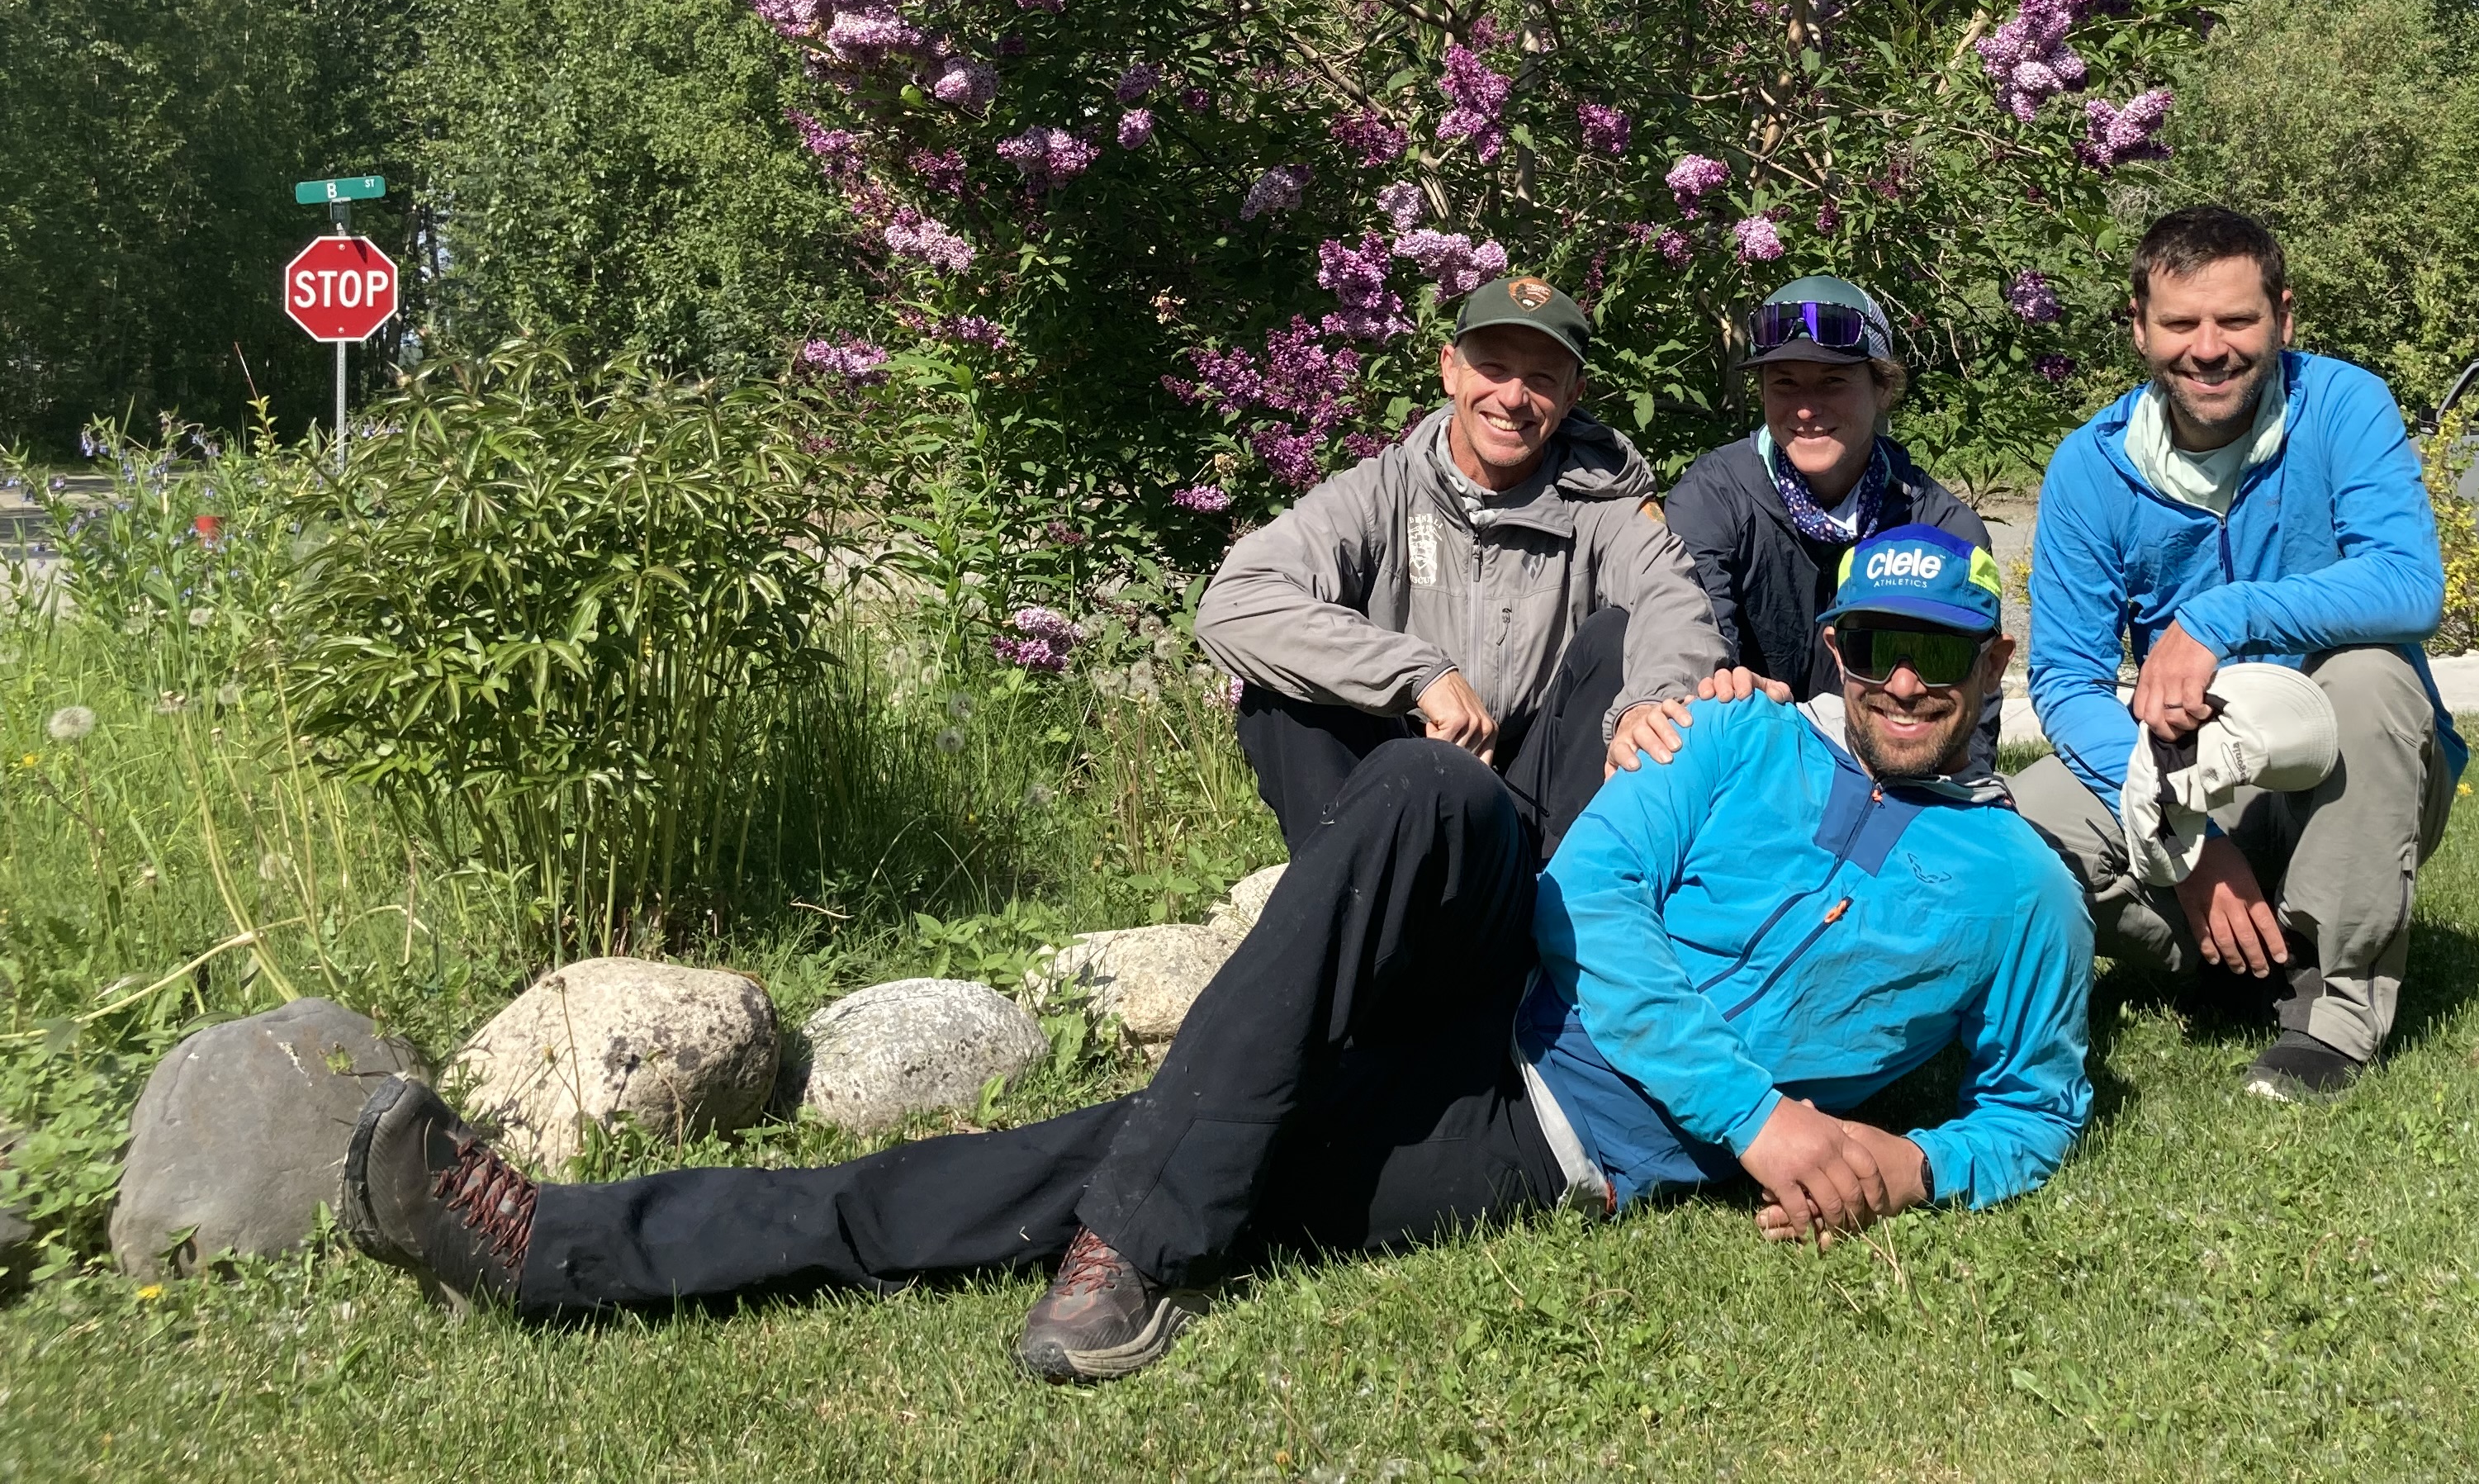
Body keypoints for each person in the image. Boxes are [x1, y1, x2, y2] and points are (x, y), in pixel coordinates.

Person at [337, 526, 2093, 1386]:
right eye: (1876, 643)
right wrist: (1768, 1118)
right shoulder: (1735, 739)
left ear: (1989, 655)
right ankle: (1154, 1229)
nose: (1907, 682)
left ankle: (569, 1252)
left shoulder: (2016, 890)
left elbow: (2035, 1104)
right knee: (1419, 781)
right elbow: (1605, 907)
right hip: (1503, 964)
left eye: (1942, 653)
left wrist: (1918, 1163)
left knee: (1068, 1159)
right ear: (1841, 639)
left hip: (1550, 1138)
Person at [2011, 204, 2467, 1102]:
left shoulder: (2343, 406)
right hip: (2191, 771)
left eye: (2238, 320)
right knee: (2024, 818)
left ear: (2284, 318)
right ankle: (2233, 963)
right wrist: (2188, 842)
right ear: (2139, 328)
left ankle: (2332, 1012)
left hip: (2334, 776)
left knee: (2372, 673)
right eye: (2181, 323)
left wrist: (2224, 616)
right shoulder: (2088, 469)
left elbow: (2412, 587)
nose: (2209, 348)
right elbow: (2065, 683)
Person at [1193, 273, 1731, 860]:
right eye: (1493, 368)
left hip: (1538, 801)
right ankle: (1353, 903)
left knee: (1617, 638)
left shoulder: (1603, 507)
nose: (1512, 398)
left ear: (1573, 395)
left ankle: (1563, 912)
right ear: (1450, 368)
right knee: (1281, 686)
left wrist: (1651, 703)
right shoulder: (1380, 491)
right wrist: (1420, 675)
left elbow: (1675, 601)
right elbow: (1235, 601)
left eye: (1542, 379)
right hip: (1398, 784)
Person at [1644, 276, 1998, 773]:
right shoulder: (1711, 498)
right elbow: (1694, 651)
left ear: (1882, 388)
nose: (1807, 409)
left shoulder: (1944, 529)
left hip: (1893, 779)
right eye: (1784, 383)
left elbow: (1969, 715)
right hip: (1746, 757)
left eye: (1833, 381)